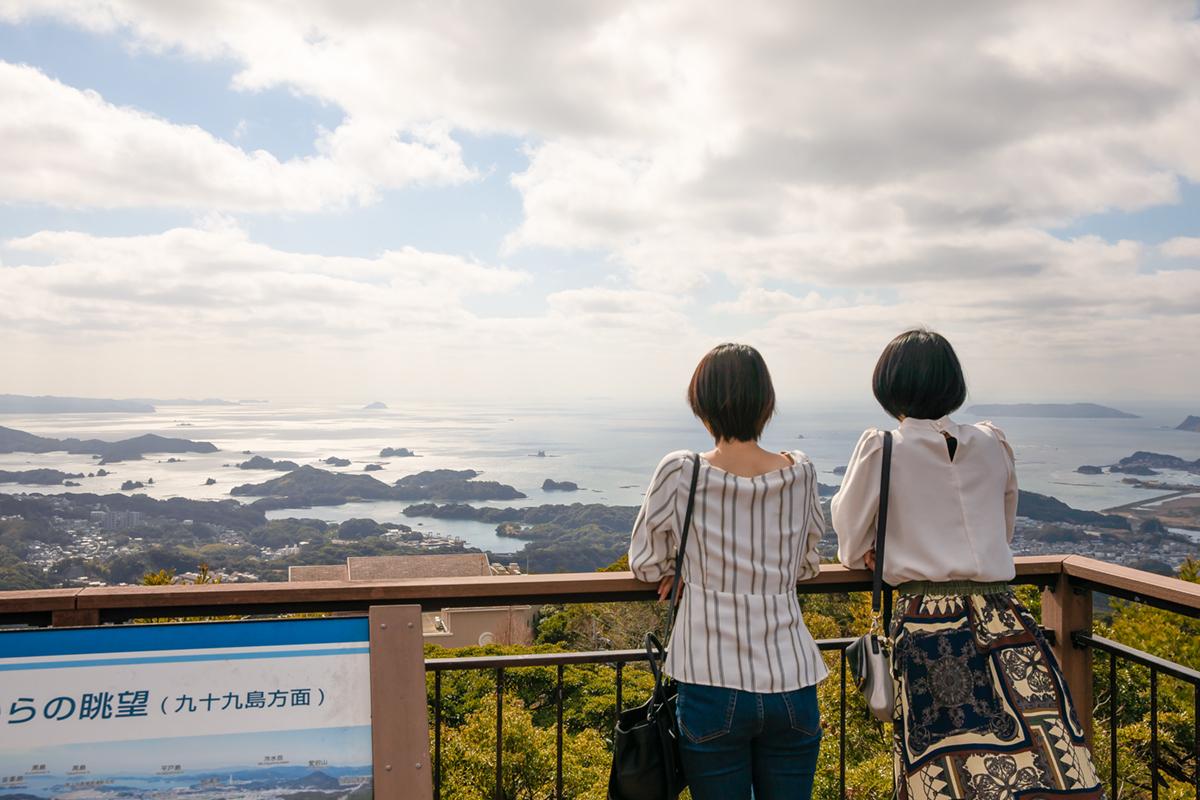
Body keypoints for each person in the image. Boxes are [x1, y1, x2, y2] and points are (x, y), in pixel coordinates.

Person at [832, 329, 1104, 800]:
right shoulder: (992, 441)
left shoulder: (883, 447)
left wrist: (883, 549)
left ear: (888, 386)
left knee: (944, 773)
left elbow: (850, 543)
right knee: (1044, 758)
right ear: (953, 383)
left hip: (928, 626)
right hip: (1004, 617)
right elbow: (1002, 530)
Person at [629, 343, 826, 800]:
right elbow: (809, 563)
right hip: (792, 678)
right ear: (766, 404)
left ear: (702, 406)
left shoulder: (682, 471)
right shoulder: (802, 472)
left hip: (709, 679)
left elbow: (643, 562)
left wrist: (680, 567)